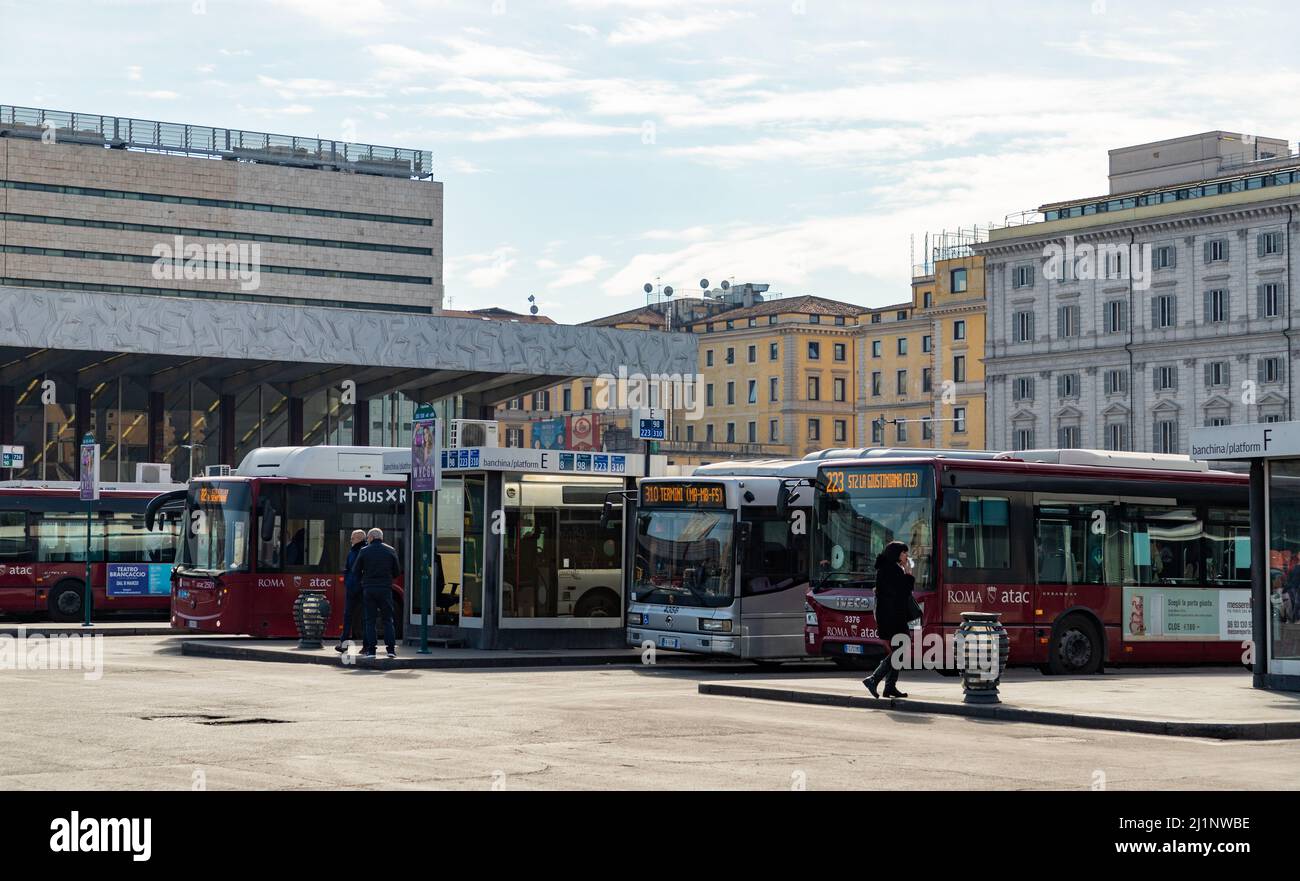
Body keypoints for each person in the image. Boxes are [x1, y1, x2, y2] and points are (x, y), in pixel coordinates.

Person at [862, 541, 918, 699]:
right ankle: (874, 679)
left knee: (898, 650)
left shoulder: (887, 569)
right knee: (901, 648)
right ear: (897, 554)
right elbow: (902, 593)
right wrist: (908, 575)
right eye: (904, 553)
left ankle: (889, 687)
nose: (907, 556)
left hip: (890, 616)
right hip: (893, 617)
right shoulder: (892, 570)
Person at [351, 527, 401, 659]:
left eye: (367, 538)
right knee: (388, 620)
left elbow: (356, 571)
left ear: (371, 537)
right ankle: (390, 650)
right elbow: (396, 572)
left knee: (370, 620)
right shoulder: (390, 550)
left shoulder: (364, 551)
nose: (367, 540)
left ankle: (371, 651)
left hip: (369, 589)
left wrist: (364, 578)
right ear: (381, 537)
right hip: (385, 589)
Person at [335, 529, 367, 653]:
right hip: (352, 587)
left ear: (359, 538)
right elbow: (347, 568)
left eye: (353, 538)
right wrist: (347, 581)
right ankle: (344, 643)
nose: (351, 540)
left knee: (364, 617)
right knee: (348, 616)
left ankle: (366, 645)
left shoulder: (364, 551)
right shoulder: (352, 551)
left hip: (362, 588)